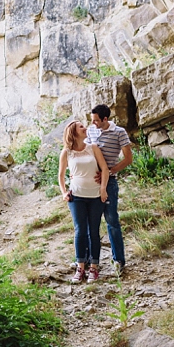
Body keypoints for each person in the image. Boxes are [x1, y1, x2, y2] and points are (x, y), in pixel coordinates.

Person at [58, 121, 110, 283]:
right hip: (76, 197)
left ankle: (94, 268)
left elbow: (105, 169)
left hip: (95, 196)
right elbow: (60, 175)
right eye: (81, 127)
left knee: (93, 231)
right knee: (80, 231)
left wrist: (103, 189)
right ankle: (80, 267)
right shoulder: (67, 152)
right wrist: (64, 192)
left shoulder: (93, 147)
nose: (85, 128)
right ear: (73, 132)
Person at [89, 104, 133, 276]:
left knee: (112, 221)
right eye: (91, 120)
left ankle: (118, 260)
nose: (92, 124)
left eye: (95, 121)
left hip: (109, 183)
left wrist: (110, 171)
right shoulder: (91, 131)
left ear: (105, 119)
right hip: (89, 182)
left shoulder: (119, 132)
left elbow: (128, 158)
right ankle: (89, 262)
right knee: (90, 224)